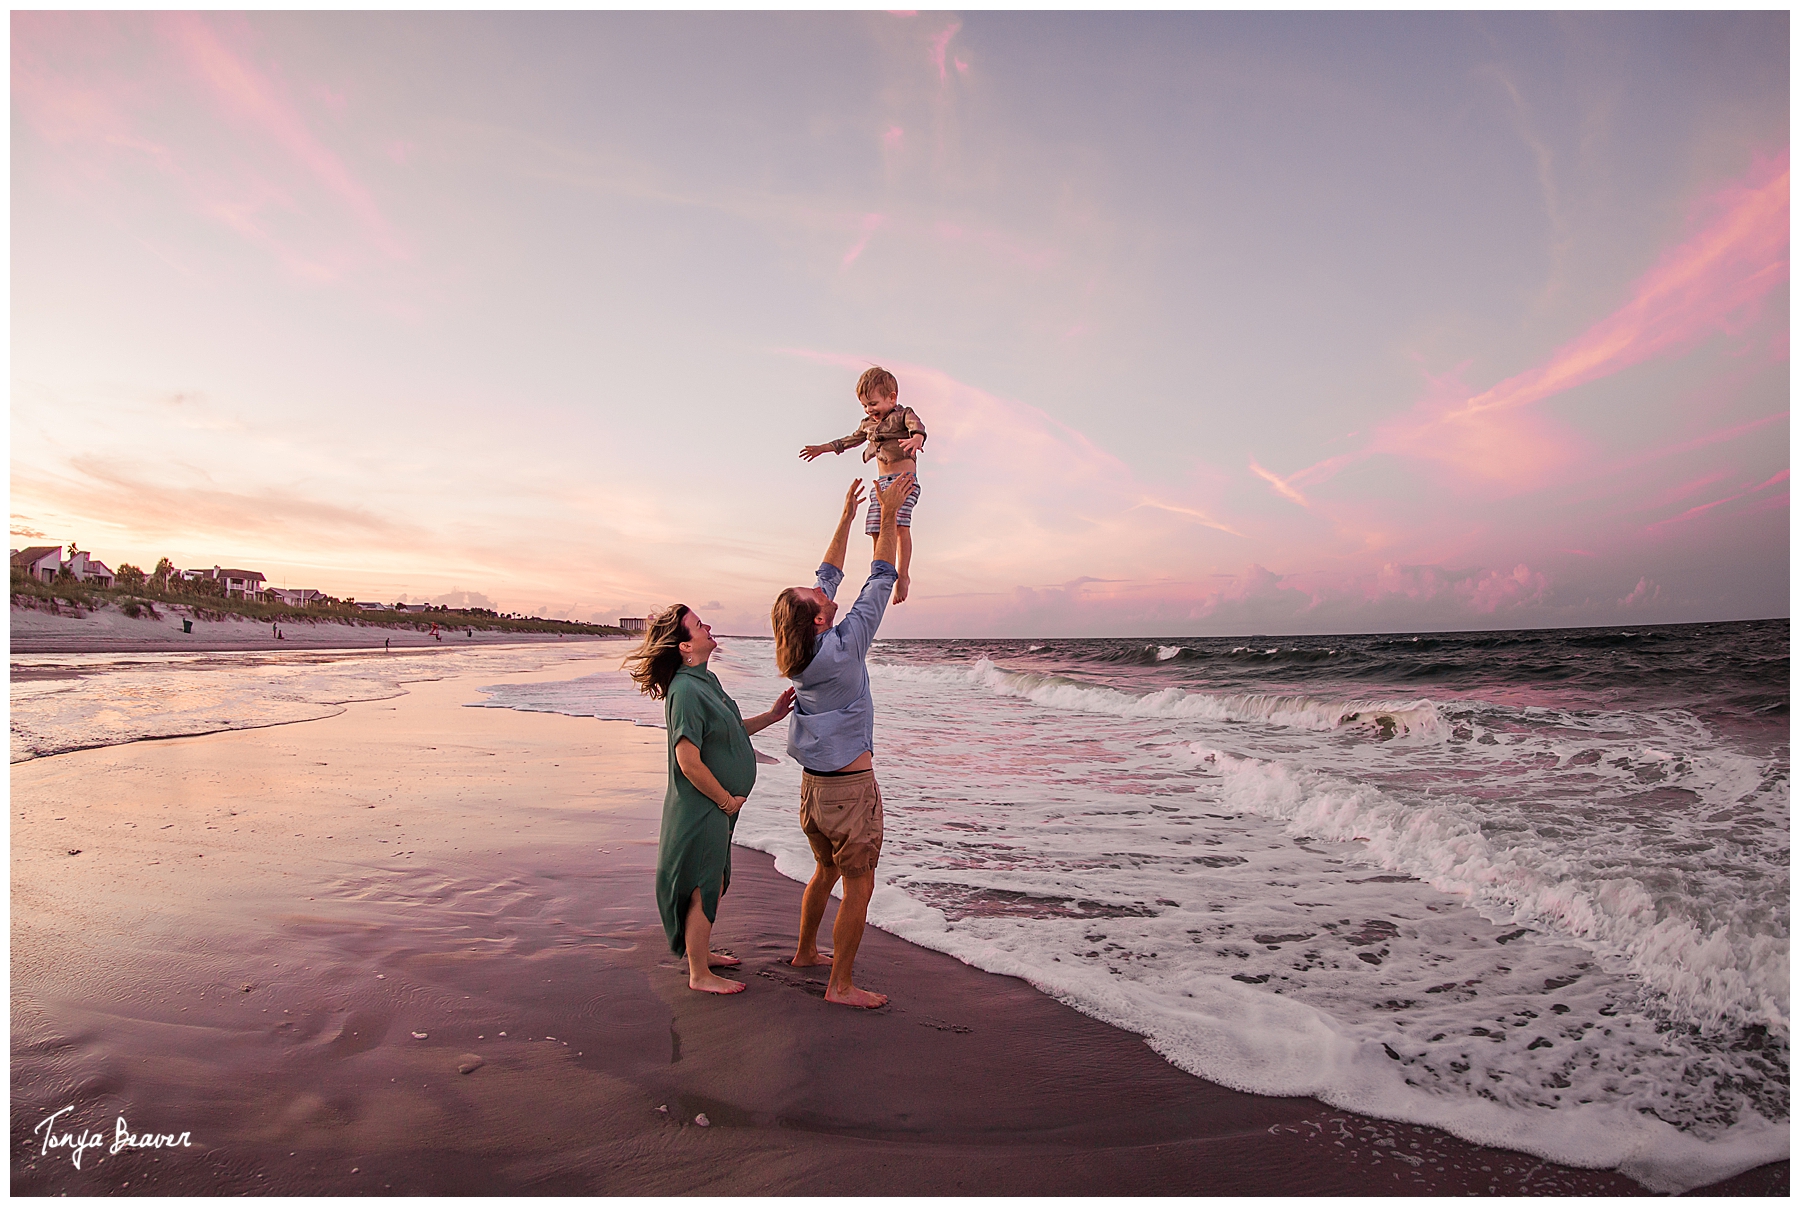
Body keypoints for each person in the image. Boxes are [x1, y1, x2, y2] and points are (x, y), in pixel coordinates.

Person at [769, 472, 914, 1008]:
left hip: (813, 791)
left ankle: (807, 952)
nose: (822, 591)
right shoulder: (843, 647)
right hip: (850, 793)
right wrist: (892, 513)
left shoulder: (801, 649)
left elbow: (827, 574)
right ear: (819, 618)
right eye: (818, 598)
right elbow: (880, 576)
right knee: (859, 884)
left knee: (824, 869)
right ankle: (842, 986)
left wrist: (849, 517)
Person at [626, 603, 795, 994]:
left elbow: (730, 732)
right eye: (699, 626)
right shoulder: (684, 690)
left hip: (714, 805)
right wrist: (724, 800)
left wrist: (770, 716)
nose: (708, 627)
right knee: (706, 882)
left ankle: (699, 953)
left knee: (715, 879)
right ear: (685, 645)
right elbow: (688, 760)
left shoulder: (708, 681)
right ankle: (699, 974)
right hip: (703, 805)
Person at [798, 366, 925, 605]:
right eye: (865, 405)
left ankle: (903, 575)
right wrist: (822, 449)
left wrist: (916, 439)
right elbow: (849, 441)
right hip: (881, 484)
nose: (870, 410)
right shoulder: (867, 424)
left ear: (892, 397)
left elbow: (917, 426)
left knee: (899, 527)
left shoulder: (903, 414)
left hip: (903, 482)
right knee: (876, 530)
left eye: (874, 404)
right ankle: (880, 572)